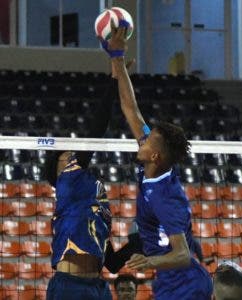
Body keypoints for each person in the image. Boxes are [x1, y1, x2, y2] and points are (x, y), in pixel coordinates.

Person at [101, 20, 213, 299]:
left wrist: (149, 261)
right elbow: (131, 109)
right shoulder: (153, 166)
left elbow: (183, 255)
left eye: (148, 139)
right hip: (168, 280)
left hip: (186, 283)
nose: (142, 137)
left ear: (155, 155)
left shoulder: (167, 197)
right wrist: (117, 57)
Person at [45, 60, 142, 300]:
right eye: (67, 157)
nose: (73, 157)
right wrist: (114, 79)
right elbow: (96, 129)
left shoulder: (98, 204)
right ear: (57, 171)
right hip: (69, 286)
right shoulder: (67, 183)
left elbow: (112, 264)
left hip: (98, 288)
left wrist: (138, 241)